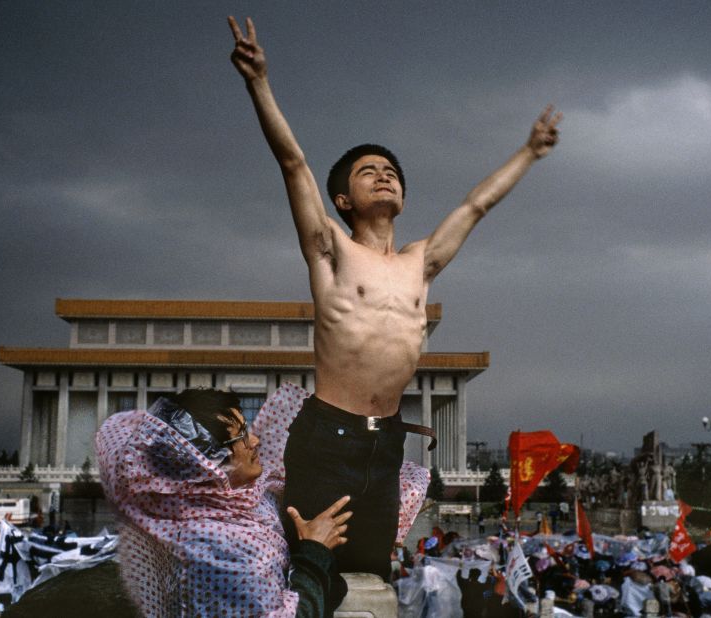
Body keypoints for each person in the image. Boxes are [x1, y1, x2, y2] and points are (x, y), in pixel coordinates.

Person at [227, 16, 562, 580]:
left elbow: (476, 205)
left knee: (372, 582)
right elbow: (293, 163)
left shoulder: (420, 263)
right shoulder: (329, 249)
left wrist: (528, 151)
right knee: (311, 572)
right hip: (327, 438)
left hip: (385, 448)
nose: (384, 177)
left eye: (391, 172)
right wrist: (259, 81)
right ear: (342, 199)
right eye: (367, 172)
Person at [96, 389, 352, 617]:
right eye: (240, 437)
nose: (254, 441)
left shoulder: (221, 504)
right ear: (205, 464)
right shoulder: (215, 547)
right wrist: (315, 553)